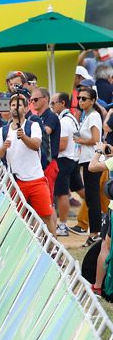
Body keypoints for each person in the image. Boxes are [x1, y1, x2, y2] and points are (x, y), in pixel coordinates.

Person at [0, 91, 57, 234]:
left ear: (26, 109)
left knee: (46, 216)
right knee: (17, 218)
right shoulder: (4, 130)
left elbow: (36, 145)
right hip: (15, 182)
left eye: (19, 105)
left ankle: (54, 250)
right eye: (13, 105)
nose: (15, 107)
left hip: (36, 179)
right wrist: (3, 147)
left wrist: (24, 137)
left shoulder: (33, 126)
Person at [73, 86, 104, 242]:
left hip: (93, 160)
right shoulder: (87, 116)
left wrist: (80, 141)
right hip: (87, 160)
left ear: (92, 101)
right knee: (92, 198)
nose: (80, 101)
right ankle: (95, 232)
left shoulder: (93, 116)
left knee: (93, 197)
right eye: (79, 98)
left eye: (84, 98)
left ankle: (95, 233)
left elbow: (95, 140)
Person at [52, 92, 83, 237]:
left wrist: (48, 148)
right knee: (80, 190)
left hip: (64, 160)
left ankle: (63, 226)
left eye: (53, 103)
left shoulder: (63, 121)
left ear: (62, 103)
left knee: (61, 194)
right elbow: (77, 138)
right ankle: (100, 211)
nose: (52, 106)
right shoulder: (72, 118)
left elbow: (62, 145)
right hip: (74, 159)